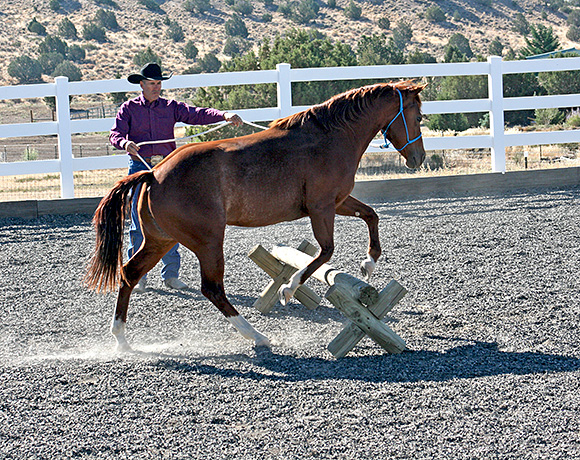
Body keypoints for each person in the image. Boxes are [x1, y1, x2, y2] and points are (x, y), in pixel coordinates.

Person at [109, 62, 243, 293]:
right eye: (152, 84)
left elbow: (196, 114)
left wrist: (223, 115)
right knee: (138, 222)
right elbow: (115, 134)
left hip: (166, 171)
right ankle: (138, 274)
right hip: (140, 167)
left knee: (172, 221)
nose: (156, 88)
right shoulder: (129, 109)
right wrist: (125, 143)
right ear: (141, 85)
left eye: (159, 83)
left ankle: (171, 275)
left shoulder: (170, 107)